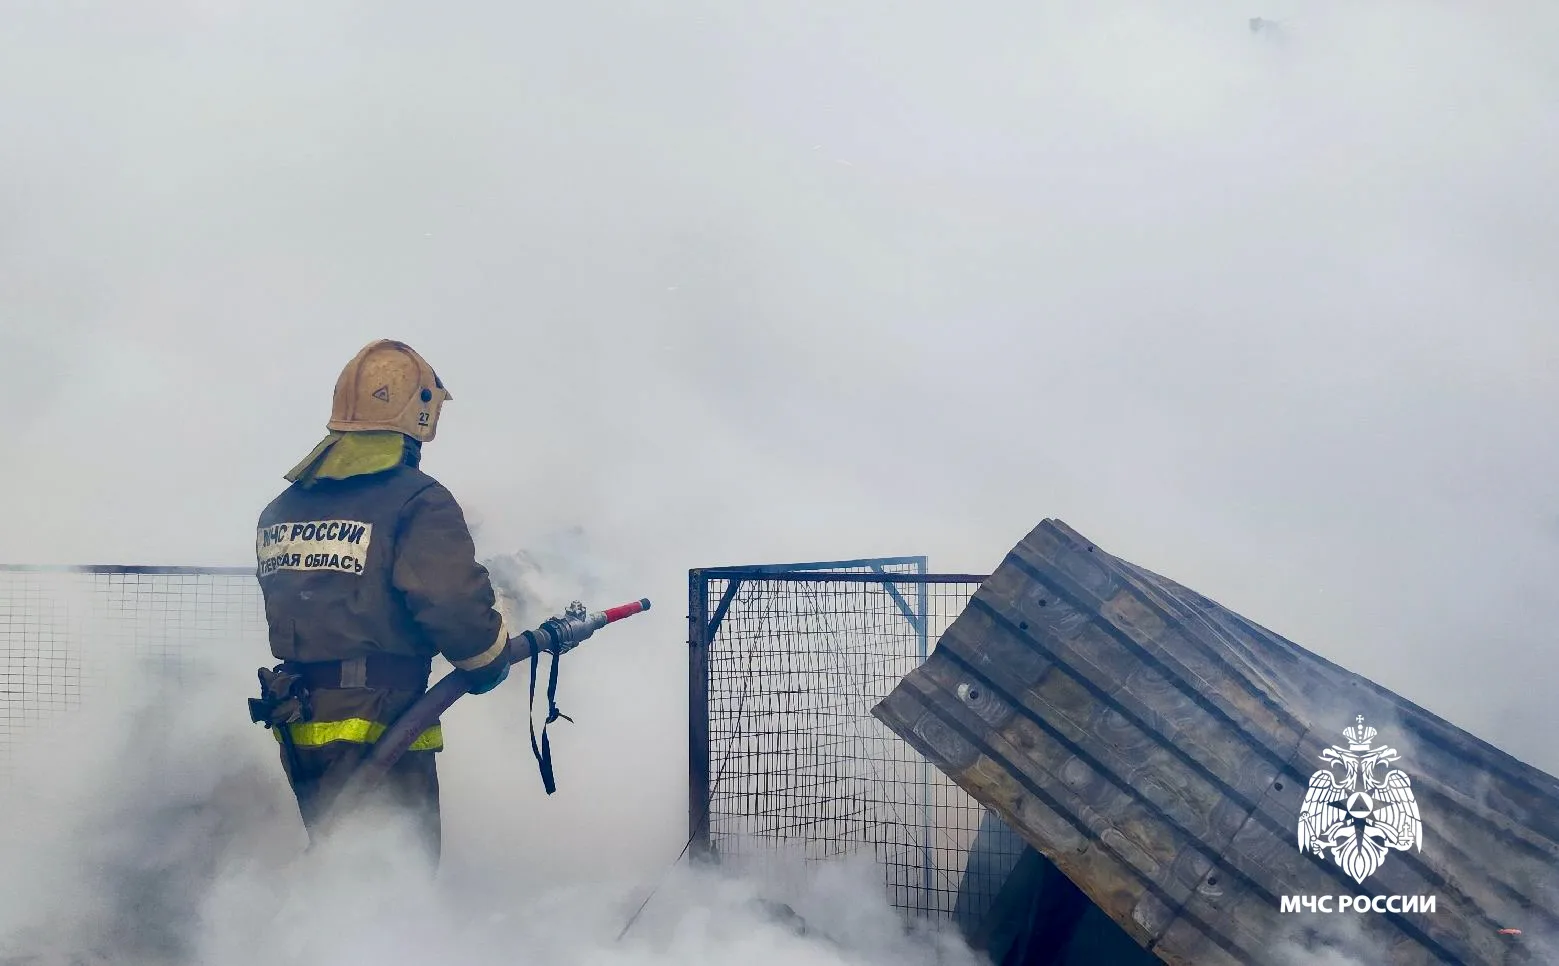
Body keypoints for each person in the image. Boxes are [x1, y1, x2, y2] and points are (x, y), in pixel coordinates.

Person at [251, 338, 512, 868]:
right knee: (396, 877)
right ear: (420, 412)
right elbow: (453, 605)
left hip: (298, 718)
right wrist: (490, 659)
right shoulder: (418, 500)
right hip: (381, 718)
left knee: (338, 862)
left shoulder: (280, 508)